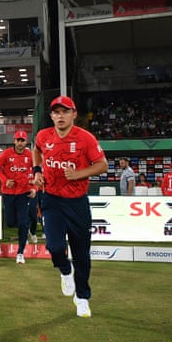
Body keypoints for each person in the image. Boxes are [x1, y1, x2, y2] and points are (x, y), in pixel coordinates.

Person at [32, 95, 108, 318]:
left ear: (74, 114)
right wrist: (37, 172)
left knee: (82, 254)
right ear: (51, 116)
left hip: (77, 203)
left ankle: (82, 297)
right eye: (56, 112)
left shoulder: (85, 138)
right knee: (55, 247)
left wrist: (78, 174)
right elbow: (36, 150)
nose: (60, 116)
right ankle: (65, 270)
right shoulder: (43, 135)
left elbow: (102, 165)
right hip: (51, 199)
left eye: (65, 111)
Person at [0, 130, 37, 264]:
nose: (20, 143)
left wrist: (35, 188)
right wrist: (4, 180)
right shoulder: (6, 153)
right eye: (18, 140)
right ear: (14, 141)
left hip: (24, 194)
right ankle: (25, 227)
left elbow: (37, 172)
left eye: (22, 140)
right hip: (8, 193)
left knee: (23, 223)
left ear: (26, 142)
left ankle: (20, 253)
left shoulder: (30, 155)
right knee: (10, 222)